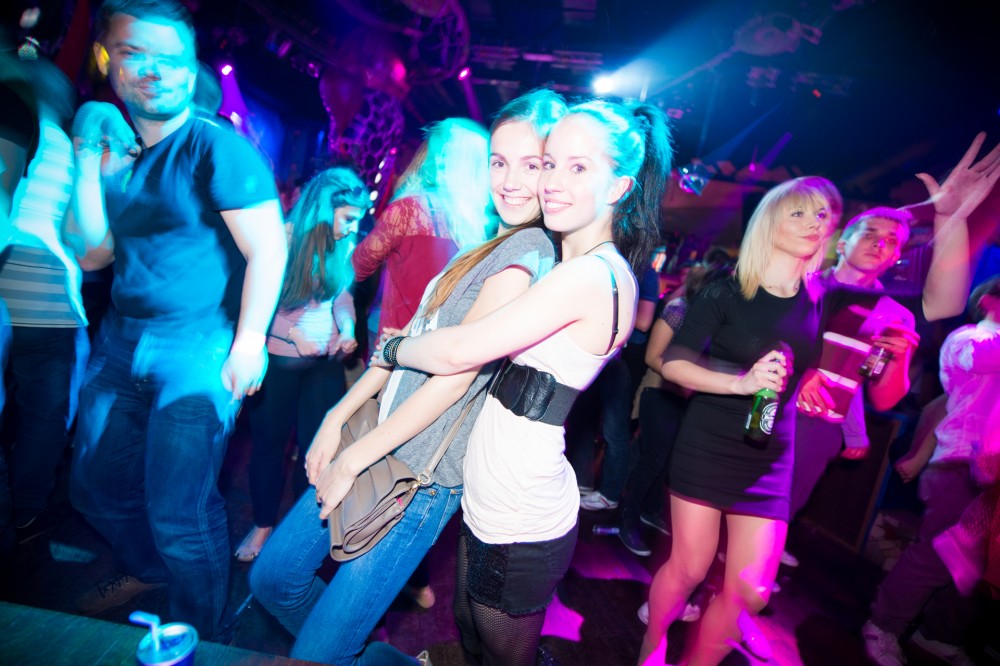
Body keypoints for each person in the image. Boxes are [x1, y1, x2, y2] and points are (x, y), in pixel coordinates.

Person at [640, 130, 998, 666]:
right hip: (709, 440)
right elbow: (672, 361)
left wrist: (950, 219)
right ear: (770, 222)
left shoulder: (826, 297)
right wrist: (740, 382)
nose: (816, 221)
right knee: (689, 568)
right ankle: (651, 647)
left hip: (771, 453)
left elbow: (943, 303)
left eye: (823, 214)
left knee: (751, 591)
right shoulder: (726, 289)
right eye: (800, 212)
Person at [249, 89, 566, 665]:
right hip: (381, 435)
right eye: (499, 162)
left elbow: (453, 375)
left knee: (318, 649)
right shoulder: (486, 241)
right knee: (273, 579)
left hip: (419, 476)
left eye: (533, 164)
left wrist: (350, 458)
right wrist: (338, 416)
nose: (510, 180)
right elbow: (404, 342)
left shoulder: (527, 254)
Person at [370, 98, 673, 666]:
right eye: (550, 163)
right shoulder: (571, 265)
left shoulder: (590, 275)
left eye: (578, 167)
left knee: (504, 656)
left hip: (520, 510)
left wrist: (391, 348)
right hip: (497, 492)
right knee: (470, 632)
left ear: (618, 187)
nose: (553, 182)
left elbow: (461, 349)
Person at [66, 0, 287, 641]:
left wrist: (250, 343)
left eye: (171, 58)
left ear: (191, 70)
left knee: (180, 512)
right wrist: (85, 158)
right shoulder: (123, 156)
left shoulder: (216, 148)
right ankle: (148, 572)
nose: (154, 70)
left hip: (199, 347)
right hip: (120, 341)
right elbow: (94, 253)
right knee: (93, 487)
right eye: (135, 53)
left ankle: (197, 633)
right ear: (107, 59)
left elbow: (268, 247)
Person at [862, 276, 1000, 666]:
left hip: (993, 477)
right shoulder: (969, 339)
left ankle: (938, 634)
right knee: (937, 556)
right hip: (960, 464)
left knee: (979, 572)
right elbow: (981, 361)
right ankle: (881, 625)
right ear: (988, 301)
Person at [234, 167, 368, 562]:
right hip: (280, 362)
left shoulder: (342, 245)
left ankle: (297, 535)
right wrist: (294, 334)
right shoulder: (283, 239)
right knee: (269, 447)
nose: (353, 229)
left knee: (317, 451)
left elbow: (342, 297)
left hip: (324, 365)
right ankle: (262, 526)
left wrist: (347, 327)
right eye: (348, 218)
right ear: (324, 209)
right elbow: (256, 299)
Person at [0, 57, 90, 538]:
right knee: (43, 413)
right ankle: (26, 509)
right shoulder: (66, 150)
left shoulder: (12, 127)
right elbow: (80, 233)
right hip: (46, 298)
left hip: (5, 282)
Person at [352, 118, 494, 338]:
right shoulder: (480, 225)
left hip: (396, 340)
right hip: (442, 343)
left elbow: (360, 263)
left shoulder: (409, 209)